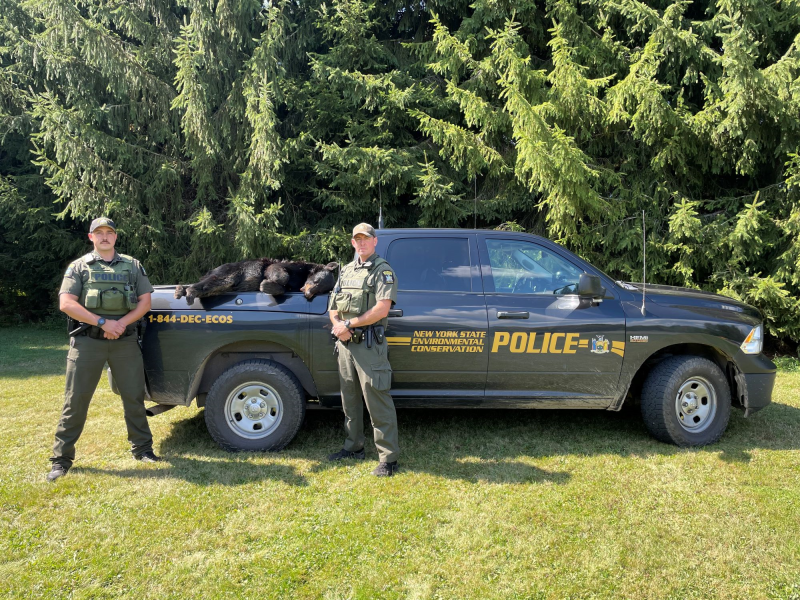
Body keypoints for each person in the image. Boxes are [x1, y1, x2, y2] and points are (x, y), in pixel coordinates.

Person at [47, 217, 161, 482]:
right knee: (75, 401)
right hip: (88, 342)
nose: (105, 236)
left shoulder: (132, 266)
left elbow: (145, 302)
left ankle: (143, 450)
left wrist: (119, 324)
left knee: (134, 396)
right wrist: (102, 322)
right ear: (91, 237)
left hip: (124, 340)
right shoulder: (79, 267)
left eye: (109, 232)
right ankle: (61, 460)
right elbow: (66, 303)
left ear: (116, 236)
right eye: (99, 233)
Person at [328, 223, 400, 476]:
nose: (361, 243)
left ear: (374, 241)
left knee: (377, 400)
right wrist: (339, 326)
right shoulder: (346, 271)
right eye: (357, 239)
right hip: (345, 345)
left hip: (369, 345)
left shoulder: (382, 271)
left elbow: (382, 309)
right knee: (349, 401)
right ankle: (353, 447)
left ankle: (388, 459)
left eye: (366, 239)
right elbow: (333, 305)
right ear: (352, 243)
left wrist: (349, 324)